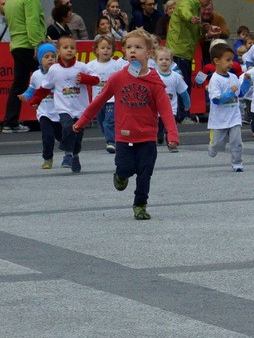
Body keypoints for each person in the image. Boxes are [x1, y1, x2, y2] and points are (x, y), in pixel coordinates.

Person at [73, 29, 179, 220]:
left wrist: (172, 135)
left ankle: (140, 204)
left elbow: (165, 111)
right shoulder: (118, 78)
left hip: (147, 136)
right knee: (125, 168)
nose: (132, 51)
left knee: (145, 172)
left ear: (149, 53)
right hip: (123, 136)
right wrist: (82, 121)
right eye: (129, 47)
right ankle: (120, 175)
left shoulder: (155, 81)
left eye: (138, 47)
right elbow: (99, 101)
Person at [29, 36, 90, 171]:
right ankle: (67, 152)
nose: (69, 50)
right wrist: (35, 101)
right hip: (63, 108)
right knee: (68, 126)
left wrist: (85, 78)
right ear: (59, 51)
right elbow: (44, 88)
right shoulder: (54, 70)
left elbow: (96, 79)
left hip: (80, 109)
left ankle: (74, 155)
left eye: (72, 48)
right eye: (65, 47)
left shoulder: (82, 66)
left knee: (77, 136)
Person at [4, 0, 46, 132]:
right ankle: (45, 118)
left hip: (16, 45)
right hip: (29, 45)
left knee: (19, 84)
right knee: (45, 80)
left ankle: (10, 121)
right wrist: (38, 45)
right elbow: (32, 23)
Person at [167, 0, 225, 81]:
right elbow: (184, 11)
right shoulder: (187, 3)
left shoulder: (196, 7)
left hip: (185, 53)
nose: (210, 1)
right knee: (183, 85)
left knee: (185, 84)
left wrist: (205, 29)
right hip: (179, 52)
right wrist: (191, 18)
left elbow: (194, 31)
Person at [204, 41, 245, 172]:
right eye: (227, 60)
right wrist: (230, 92)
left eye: (232, 60)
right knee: (218, 145)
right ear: (216, 61)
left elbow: (241, 93)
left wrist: (247, 82)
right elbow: (216, 100)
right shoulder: (215, 80)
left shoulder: (233, 77)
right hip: (219, 119)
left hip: (234, 117)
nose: (231, 63)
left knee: (236, 142)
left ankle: (237, 162)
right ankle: (213, 145)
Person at [84, 35, 123, 153]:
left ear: (113, 50)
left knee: (109, 121)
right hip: (98, 99)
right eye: (103, 48)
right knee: (101, 122)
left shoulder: (116, 65)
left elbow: (123, 77)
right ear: (97, 50)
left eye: (108, 48)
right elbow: (83, 76)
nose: (106, 50)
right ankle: (111, 138)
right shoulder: (90, 65)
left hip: (112, 99)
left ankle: (111, 142)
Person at [23, 43, 59, 167]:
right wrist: (25, 96)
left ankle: (69, 154)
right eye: (46, 57)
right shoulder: (36, 75)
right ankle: (47, 158)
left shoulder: (59, 72)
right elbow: (31, 89)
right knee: (47, 136)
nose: (50, 59)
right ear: (40, 60)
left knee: (63, 137)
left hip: (60, 112)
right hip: (44, 113)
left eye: (52, 56)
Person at [153, 46, 186, 147]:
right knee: (158, 126)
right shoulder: (153, 75)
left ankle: (171, 142)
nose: (164, 62)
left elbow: (183, 92)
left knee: (170, 126)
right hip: (157, 109)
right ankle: (159, 135)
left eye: (167, 59)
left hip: (172, 108)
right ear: (156, 61)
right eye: (161, 59)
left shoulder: (176, 76)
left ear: (171, 61)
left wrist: (187, 104)